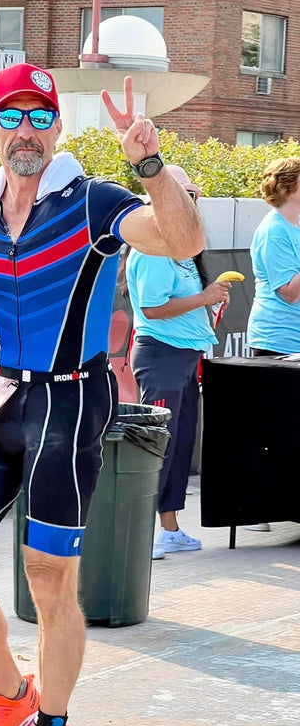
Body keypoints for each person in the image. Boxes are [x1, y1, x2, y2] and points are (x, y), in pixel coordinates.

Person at [0, 62, 204, 726]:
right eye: (12, 116)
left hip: (72, 402)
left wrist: (151, 167)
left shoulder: (94, 201)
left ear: (57, 129)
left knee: (49, 578)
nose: (27, 131)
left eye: (40, 116)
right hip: (2, 395)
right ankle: (11, 698)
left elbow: (180, 240)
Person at [122, 165, 231, 559]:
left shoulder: (178, 247)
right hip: (162, 355)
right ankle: (141, 535)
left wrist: (208, 301)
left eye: (192, 196)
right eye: (185, 196)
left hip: (180, 356)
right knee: (159, 448)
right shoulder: (154, 249)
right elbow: (152, 309)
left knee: (178, 444)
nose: (191, 203)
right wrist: (205, 297)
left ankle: (168, 530)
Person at [244, 157, 300, 533]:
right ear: (291, 186)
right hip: (277, 340)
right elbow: (289, 291)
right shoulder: (273, 230)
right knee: (273, 428)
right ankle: (256, 510)